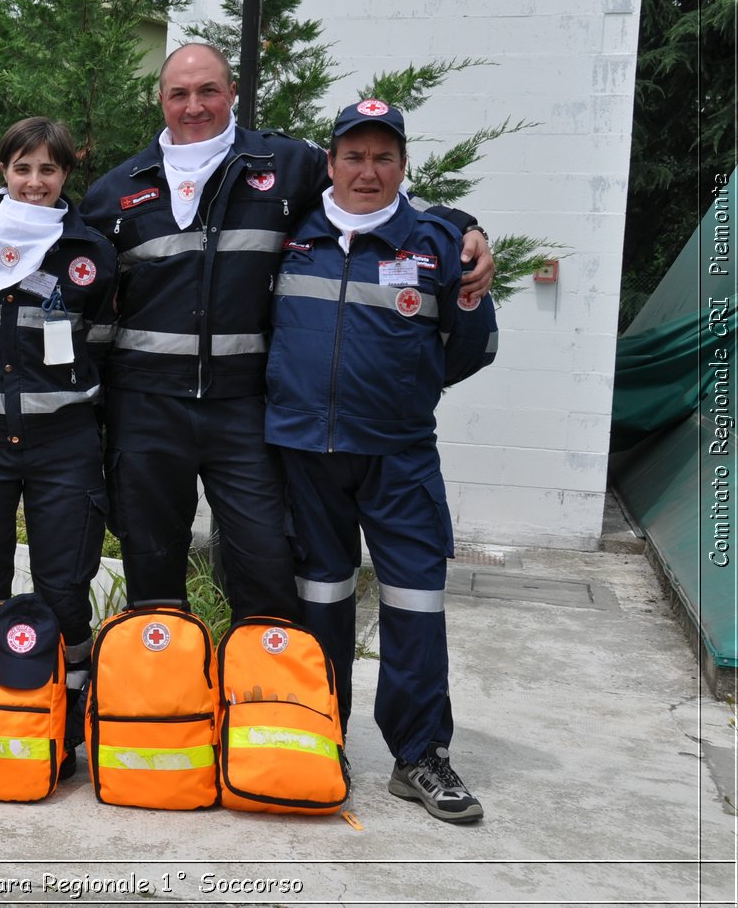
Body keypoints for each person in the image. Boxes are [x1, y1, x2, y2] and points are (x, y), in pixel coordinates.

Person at [79, 43, 494, 621]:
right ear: (161, 100)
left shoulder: (285, 165)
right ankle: (168, 704)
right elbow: (69, 270)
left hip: (246, 410)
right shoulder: (116, 190)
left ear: (231, 94)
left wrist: (460, 226)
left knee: (267, 567)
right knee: (153, 575)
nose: (194, 106)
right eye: (179, 93)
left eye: (208, 91)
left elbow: (367, 193)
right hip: (147, 411)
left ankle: (254, 702)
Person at [264, 99, 497, 823]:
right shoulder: (288, 232)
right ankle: (318, 734)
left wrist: (400, 393)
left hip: (399, 458)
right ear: (330, 163)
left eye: (384, 157)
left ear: (404, 165)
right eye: (354, 156)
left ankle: (420, 754)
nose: (368, 171)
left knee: (415, 602)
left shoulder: (437, 242)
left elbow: (471, 346)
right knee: (319, 601)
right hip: (303, 452)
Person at [0, 116, 117, 771]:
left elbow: (103, 340)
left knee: (64, 587)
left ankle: (65, 717)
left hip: (63, 442)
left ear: (67, 173)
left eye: (49, 168)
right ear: (2, 168)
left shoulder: (89, 248)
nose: (34, 181)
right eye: (22, 167)